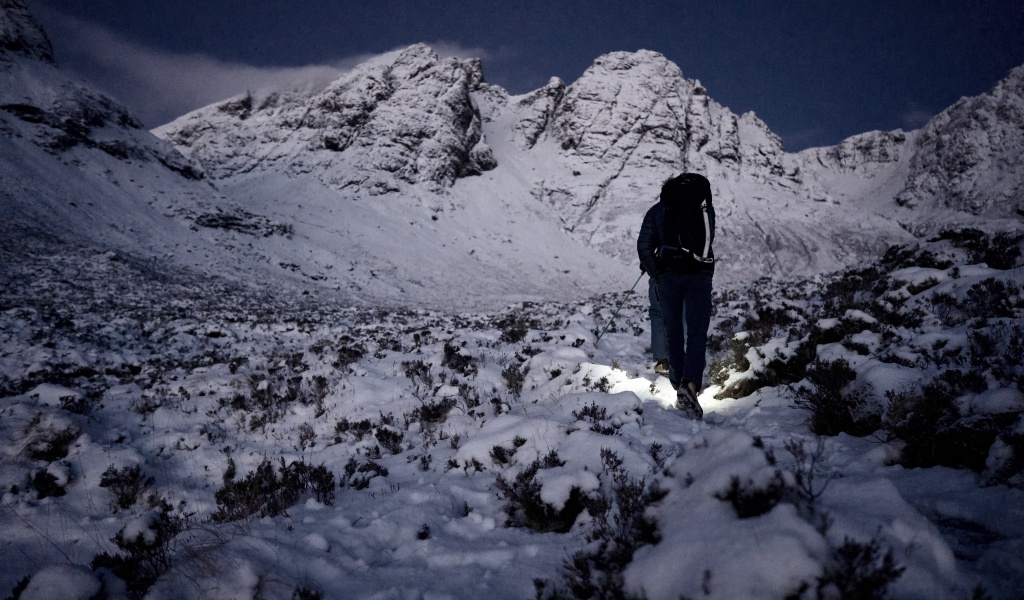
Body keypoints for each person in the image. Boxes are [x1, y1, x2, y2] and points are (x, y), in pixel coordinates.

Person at [637, 173, 716, 419]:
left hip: (669, 278)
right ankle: (690, 383)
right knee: (696, 332)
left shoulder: (657, 211)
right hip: (699, 276)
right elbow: (709, 237)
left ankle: (677, 385)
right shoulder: (702, 207)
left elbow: (644, 245)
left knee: (673, 331)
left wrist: (656, 272)